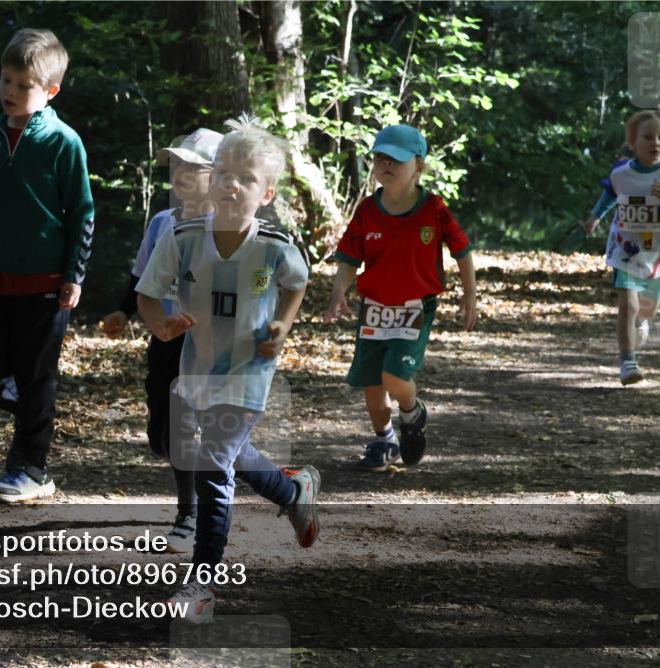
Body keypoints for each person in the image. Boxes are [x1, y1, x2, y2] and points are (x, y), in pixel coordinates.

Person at [136, 119, 319, 623]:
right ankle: (292, 489)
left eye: (246, 177)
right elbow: (148, 294)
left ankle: (201, 587)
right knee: (227, 455)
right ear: (212, 180)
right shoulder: (184, 238)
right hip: (197, 369)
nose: (232, 184)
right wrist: (162, 327)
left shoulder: (275, 245)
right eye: (224, 174)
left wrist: (281, 326)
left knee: (214, 469)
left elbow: (296, 284)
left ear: (266, 193)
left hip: (249, 373)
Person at [0, 28, 94, 502]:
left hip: (47, 283)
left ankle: (33, 470)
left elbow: (82, 213)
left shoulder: (63, 142)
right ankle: (32, 411)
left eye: (23, 85)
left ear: (50, 91)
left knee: (37, 375)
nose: (10, 91)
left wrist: (74, 274)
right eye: (5, 80)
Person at [325, 124, 477, 472]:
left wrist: (470, 294)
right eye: (380, 158)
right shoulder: (366, 210)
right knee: (372, 383)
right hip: (374, 308)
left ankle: (412, 411)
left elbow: (462, 250)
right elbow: (350, 256)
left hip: (414, 307)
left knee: (395, 376)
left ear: (418, 167)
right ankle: (384, 439)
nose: (386, 165)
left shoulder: (433, 209)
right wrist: (339, 290)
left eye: (396, 159)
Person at [100, 128, 223, 553]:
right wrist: (122, 310)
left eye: (193, 167)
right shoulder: (162, 223)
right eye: (177, 165)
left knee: (188, 427)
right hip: (165, 338)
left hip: (207, 347)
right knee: (163, 433)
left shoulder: (226, 230)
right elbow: (141, 278)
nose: (181, 174)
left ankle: (190, 515)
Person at [582, 110, 660, 385]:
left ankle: (642, 324)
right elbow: (610, 193)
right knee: (627, 305)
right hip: (626, 251)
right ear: (633, 141)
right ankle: (628, 363)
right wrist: (596, 217)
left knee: (645, 310)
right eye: (647, 137)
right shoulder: (622, 173)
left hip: (658, 255)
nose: (654, 142)